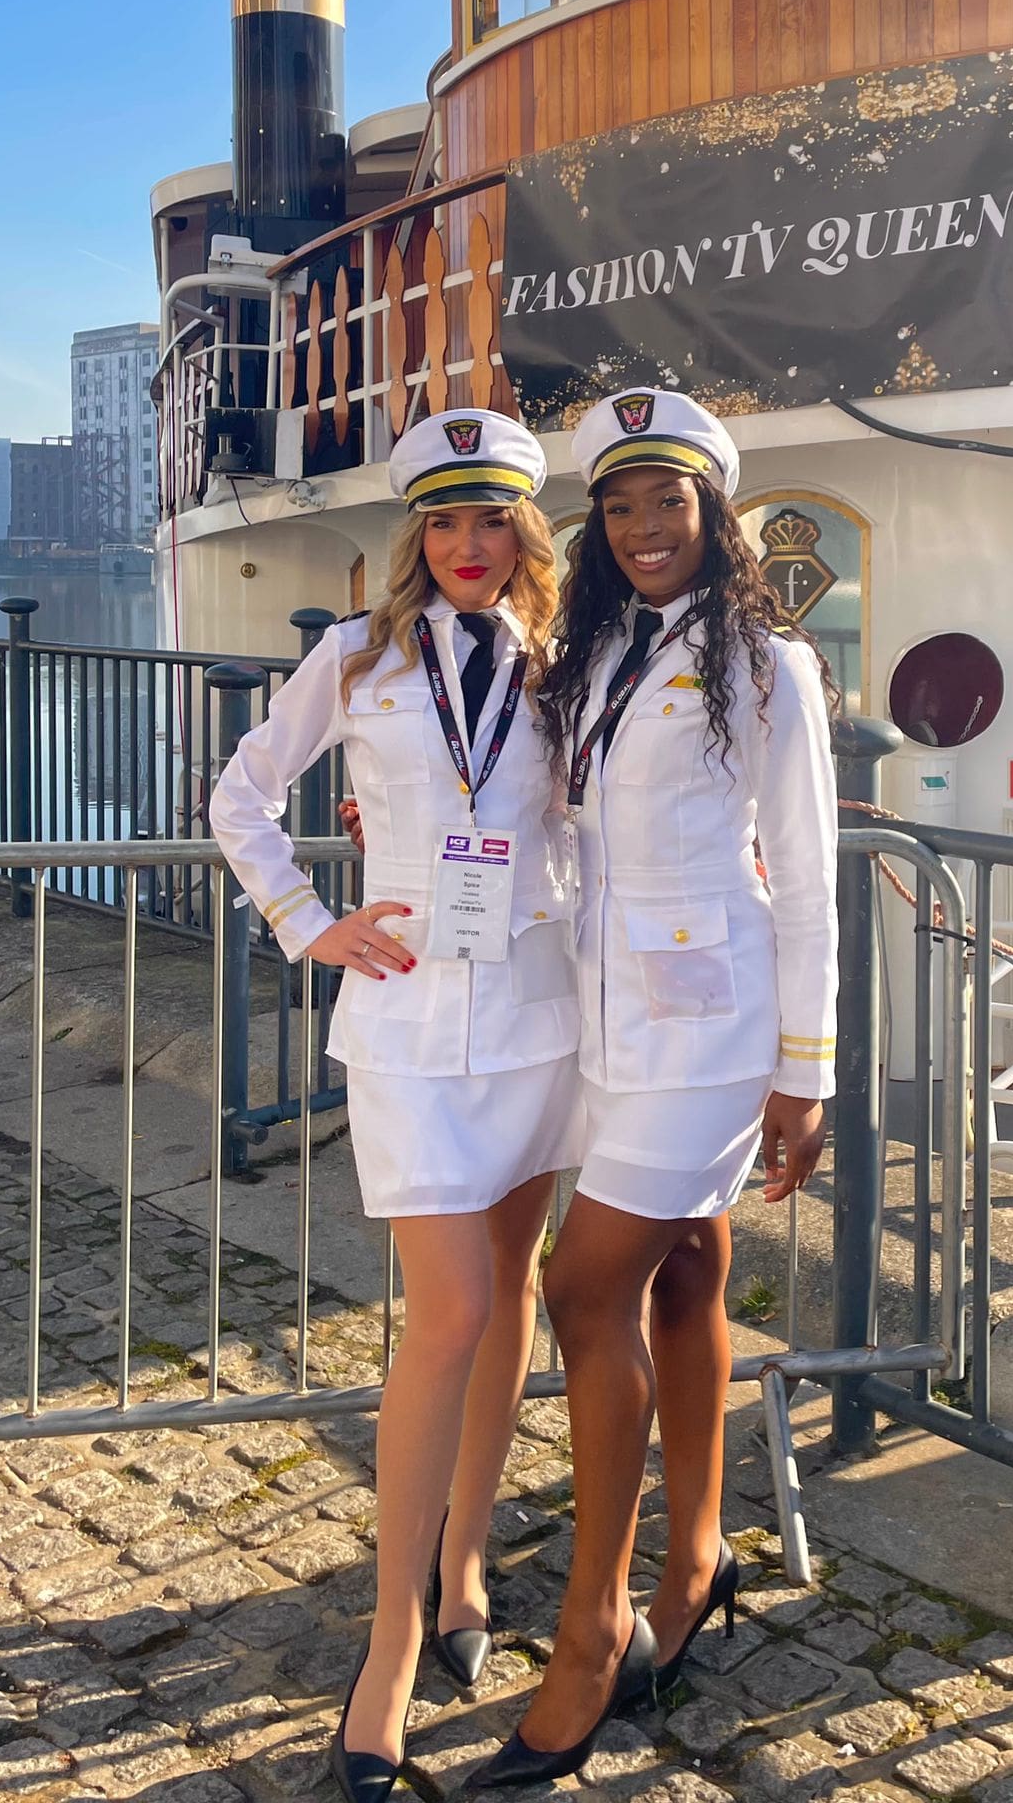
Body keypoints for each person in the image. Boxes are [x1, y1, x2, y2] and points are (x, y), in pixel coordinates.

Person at [208, 408, 583, 1803]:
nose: (469, 546)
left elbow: (595, 832)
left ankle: (468, 1555)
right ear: (417, 535)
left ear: (523, 533)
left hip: (540, 1016)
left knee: (513, 1288)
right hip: (412, 1023)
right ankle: (390, 1642)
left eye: (492, 521)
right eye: (445, 521)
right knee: (451, 1312)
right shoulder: (357, 658)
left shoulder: (564, 661)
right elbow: (242, 794)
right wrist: (309, 922)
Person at [469, 388, 839, 1788]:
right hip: (609, 1020)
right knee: (684, 1277)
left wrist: (808, 1068)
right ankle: (696, 1556)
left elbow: (807, 876)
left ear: (713, 509)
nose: (641, 529)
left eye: (667, 502)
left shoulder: (768, 666)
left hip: (716, 1033)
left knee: (580, 1291)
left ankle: (593, 1628)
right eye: (618, 507)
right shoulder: (594, 654)